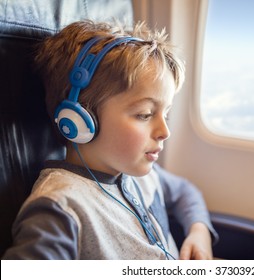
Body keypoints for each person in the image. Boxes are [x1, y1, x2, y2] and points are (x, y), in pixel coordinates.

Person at [2, 20, 218, 260]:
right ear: (79, 120)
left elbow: (184, 192)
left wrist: (199, 231)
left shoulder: (138, 173)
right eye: (144, 114)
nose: (165, 131)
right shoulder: (60, 210)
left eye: (165, 114)